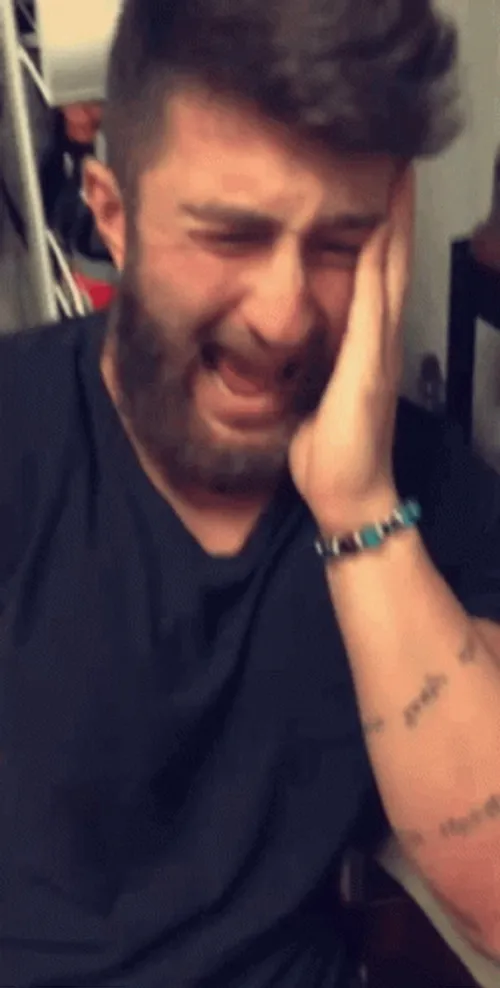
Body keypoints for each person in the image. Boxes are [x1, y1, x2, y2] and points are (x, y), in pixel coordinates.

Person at [2, 1, 500, 986]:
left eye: (339, 243)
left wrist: (359, 508)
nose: (283, 315)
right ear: (112, 215)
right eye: (230, 235)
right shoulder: (19, 436)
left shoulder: (424, 488)